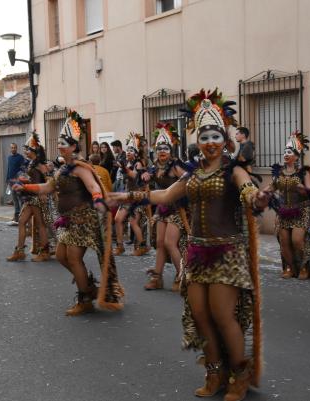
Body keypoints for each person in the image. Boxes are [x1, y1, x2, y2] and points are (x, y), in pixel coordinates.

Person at [110, 89, 269, 399]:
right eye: (204, 136)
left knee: (223, 315)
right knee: (200, 315)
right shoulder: (192, 175)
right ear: (197, 141)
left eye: (216, 136)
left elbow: (249, 191)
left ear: (225, 140)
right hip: (196, 253)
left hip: (227, 254)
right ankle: (214, 372)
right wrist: (125, 196)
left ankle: (239, 372)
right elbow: (164, 196)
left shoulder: (233, 171)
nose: (210, 142)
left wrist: (258, 199)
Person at [14, 110, 124, 315]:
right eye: (59, 144)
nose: (59, 146)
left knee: (73, 257)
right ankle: (88, 288)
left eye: (63, 144)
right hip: (68, 220)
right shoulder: (62, 169)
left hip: (83, 219)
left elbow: (93, 187)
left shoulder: (80, 168)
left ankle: (85, 300)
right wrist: (26, 187)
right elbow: (48, 188)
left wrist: (98, 200)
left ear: (73, 146)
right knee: (62, 256)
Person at [141, 122, 187, 291]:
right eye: (159, 148)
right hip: (162, 208)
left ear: (171, 150)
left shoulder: (175, 166)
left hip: (177, 209)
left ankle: (182, 276)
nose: (162, 151)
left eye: (165, 148)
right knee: (160, 243)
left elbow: (187, 180)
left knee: (170, 243)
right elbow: (146, 179)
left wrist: (181, 183)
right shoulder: (155, 166)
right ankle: (157, 278)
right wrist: (145, 176)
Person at [269, 131, 310, 279]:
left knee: (297, 241)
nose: (286, 154)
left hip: (301, 211)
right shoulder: (279, 173)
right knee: (284, 242)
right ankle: (290, 267)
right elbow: (271, 188)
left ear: (296, 156)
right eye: (285, 152)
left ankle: (304, 267)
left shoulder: (304, 172)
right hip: (284, 212)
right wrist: (261, 194)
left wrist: (305, 190)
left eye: (289, 152)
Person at [6, 133, 52, 262]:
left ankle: (45, 252)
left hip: (37, 198)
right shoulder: (31, 163)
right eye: (25, 149)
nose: (25, 152)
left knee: (41, 225)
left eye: (27, 149)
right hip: (29, 198)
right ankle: (19, 251)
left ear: (34, 151)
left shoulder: (40, 165)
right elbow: (30, 179)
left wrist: (43, 193)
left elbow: (49, 180)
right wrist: (22, 181)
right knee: (21, 222)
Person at [113, 133, 150, 257]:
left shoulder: (138, 164)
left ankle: (142, 245)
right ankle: (120, 246)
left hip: (137, 198)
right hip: (127, 197)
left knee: (133, 223)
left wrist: (125, 169)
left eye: (131, 150)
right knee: (117, 220)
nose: (128, 152)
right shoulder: (126, 164)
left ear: (136, 153)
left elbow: (135, 176)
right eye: (127, 150)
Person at [6, 143, 26, 226]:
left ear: (16, 148)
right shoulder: (9, 157)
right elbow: (9, 168)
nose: (13, 149)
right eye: (12, 148)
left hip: (17, 182)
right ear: (10, 149)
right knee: (14, 200)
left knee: (20, 199)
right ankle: (16, 217)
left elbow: (23, 169)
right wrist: (7, 179)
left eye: (14, 147)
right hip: (11, 182)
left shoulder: (20, 157)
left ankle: (22, 216)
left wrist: (19, 180)